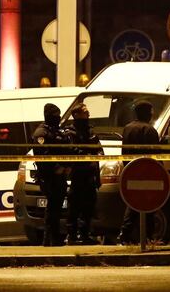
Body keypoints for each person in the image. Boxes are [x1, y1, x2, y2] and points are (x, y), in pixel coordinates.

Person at [118, 101, 161, 245]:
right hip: (147, 172)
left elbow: (124, 151)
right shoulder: (149, 130)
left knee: (133, 203)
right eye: (151, 112)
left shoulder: (127, 128)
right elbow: (155, 154)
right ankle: (147, 236)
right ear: (147, 113)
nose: (152, 114)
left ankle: (125, 234)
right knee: (149, 205)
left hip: (131, 170)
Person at [63, 103, 102, 245]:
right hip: (77, 175)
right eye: (85, 112)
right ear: (77, 115)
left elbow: (99, 150)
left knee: (88, 207)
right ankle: (72, 236)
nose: (88, 114)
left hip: (90, 176)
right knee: (74, 207)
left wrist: (96, 157)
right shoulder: (70, 133)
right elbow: (73, 151)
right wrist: (88, 158)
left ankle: (85, 235)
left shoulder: (91, 131)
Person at [32, 102, 70, 246]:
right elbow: (42, 156)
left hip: (60, 175)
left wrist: (67, 166)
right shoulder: (41, 133)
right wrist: (56, 168)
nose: (58, 118)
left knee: (57, 207)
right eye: (55, 116)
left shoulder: (56, 131)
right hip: (49, 176)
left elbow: (66, 149)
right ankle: (50, 238)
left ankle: (52, 238)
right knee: (53, 207)